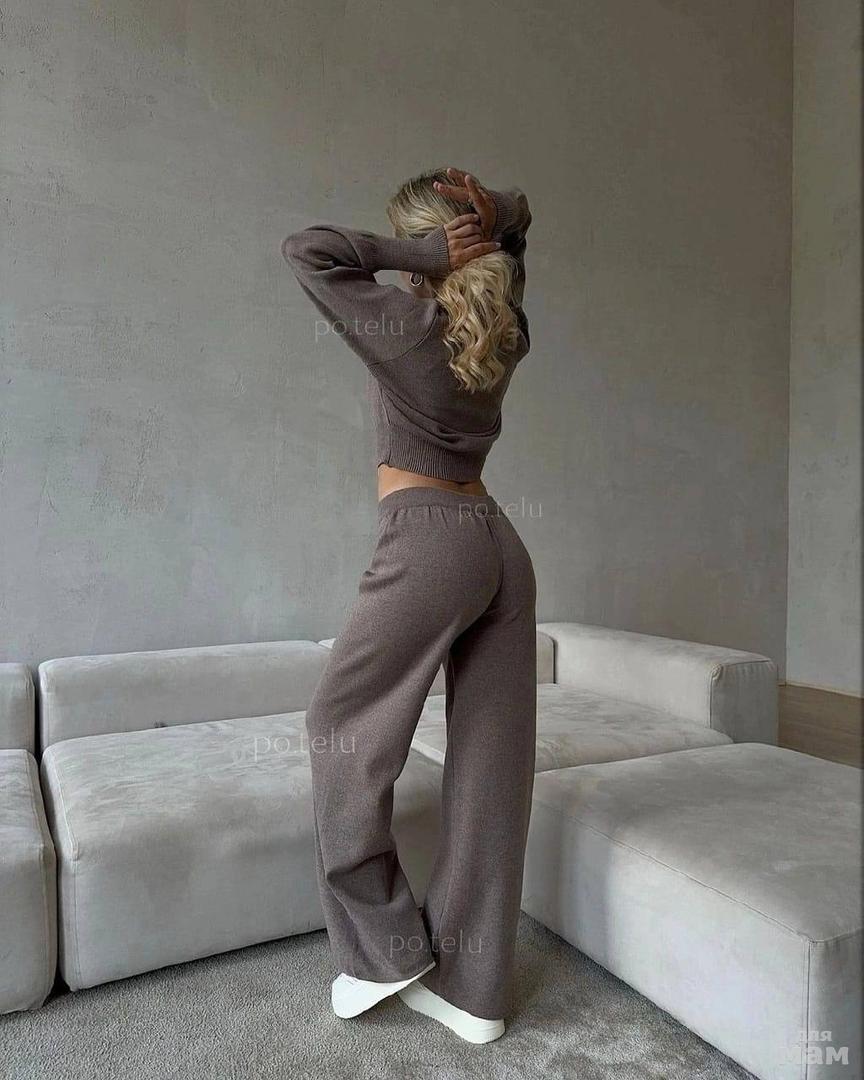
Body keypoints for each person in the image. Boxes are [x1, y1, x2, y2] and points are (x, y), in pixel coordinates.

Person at [281, 167, 535, 1044]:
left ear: (430, 242)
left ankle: (381, 954)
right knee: (492, 764)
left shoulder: (404, 326)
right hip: (500, 545)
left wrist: (413, 255)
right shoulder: (505, 329)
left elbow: (307, 250)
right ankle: (474, 990)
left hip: (430, 542)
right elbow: (523, 225)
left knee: (337, 724)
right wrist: (496, 220)